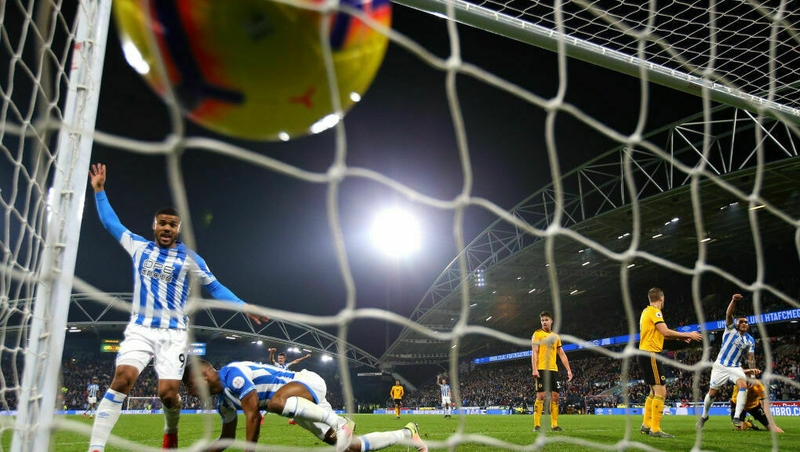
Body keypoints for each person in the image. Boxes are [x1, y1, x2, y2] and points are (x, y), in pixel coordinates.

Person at [86, 163, 268, 452]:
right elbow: (111, 223)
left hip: (174, 335)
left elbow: (215, 287)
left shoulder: (190, 259)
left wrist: (243, 306)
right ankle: (95, 447)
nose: (167, 228)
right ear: (154, 226)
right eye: (162, 223)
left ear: (178, 228)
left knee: (169, 394)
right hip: (141, 329)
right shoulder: (139, 247)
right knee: (122, 379)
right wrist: (99, 191)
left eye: (172, 224)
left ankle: (171, 431)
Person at [182, 359, 428, 452]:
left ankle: (339, 422)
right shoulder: (224, 403)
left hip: (304, 382)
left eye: (189, 387)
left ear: (201, 378)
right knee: (351, 447)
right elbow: (226, 438)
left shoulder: (232, 374)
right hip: (298, 405)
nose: (191, 393)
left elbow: (254, 414)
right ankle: (407, 433)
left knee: (277, 402)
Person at [637, 287, 702, 438]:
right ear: (662, 298)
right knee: (661, 391)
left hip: (645, 353)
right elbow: (665, 332)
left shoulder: (645, 312)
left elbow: (661, 337)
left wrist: (680, 338)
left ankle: (646, 425)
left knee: (653, 391)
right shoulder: (655, 312)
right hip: (651, 354)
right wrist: (689, 334)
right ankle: (655, 429)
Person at [697, 293, 757, 430]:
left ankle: (737, 416)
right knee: (712, 393)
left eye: (746, 322)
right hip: (720, 366)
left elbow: (751, 358)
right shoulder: (730, 330)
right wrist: (733, 301)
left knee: (742, 384)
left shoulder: (750, 340)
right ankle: (704, 415)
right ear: (736, 323)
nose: (743, 324)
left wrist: (752, 376)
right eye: (741, 321)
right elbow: (728, 315)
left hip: (736, 367)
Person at [531, 310, 573, 432]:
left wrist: (569, 370)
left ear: (551, 321)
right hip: (541, 369)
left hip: (553, 369)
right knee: (541, 395)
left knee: (555, 397)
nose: (544, 322)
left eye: (546, 320)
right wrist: (534, 368)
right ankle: (537, 425)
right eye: (542, 320)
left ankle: (554, 425)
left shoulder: (556, 337)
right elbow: (534, 352)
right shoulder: (537, 334)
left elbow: (562, 353)